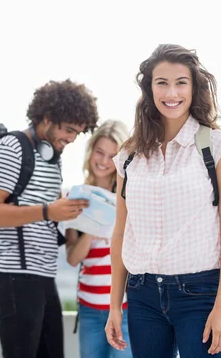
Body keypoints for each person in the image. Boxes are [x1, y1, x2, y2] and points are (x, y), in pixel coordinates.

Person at [106, 44, 221, 358]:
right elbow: (121, 231)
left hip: (200, 293)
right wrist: (115, 305)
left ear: (194, 88)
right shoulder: (130, 155)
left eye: (181, 82)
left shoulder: (219, 148)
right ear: (149, 89)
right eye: (162, 83)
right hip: (141, 295)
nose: (172, 92)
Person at [0, 79, 99, 358]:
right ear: (47, 119)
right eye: (68, 130)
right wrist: (48, 210)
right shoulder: (11, 149)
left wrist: (73, 214)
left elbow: (52, 211)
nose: (70, 139)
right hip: (13, 274)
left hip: (42, 275)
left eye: (77, 133)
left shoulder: (52, 157)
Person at [65, 119, 132, 358]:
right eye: (99, 152)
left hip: (125, 308)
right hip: (90, 309)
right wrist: (93, 228)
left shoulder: (129, 197)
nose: (104, 162)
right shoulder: (75, 197)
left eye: (112, 156)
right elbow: (72, 258)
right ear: (91, 151)